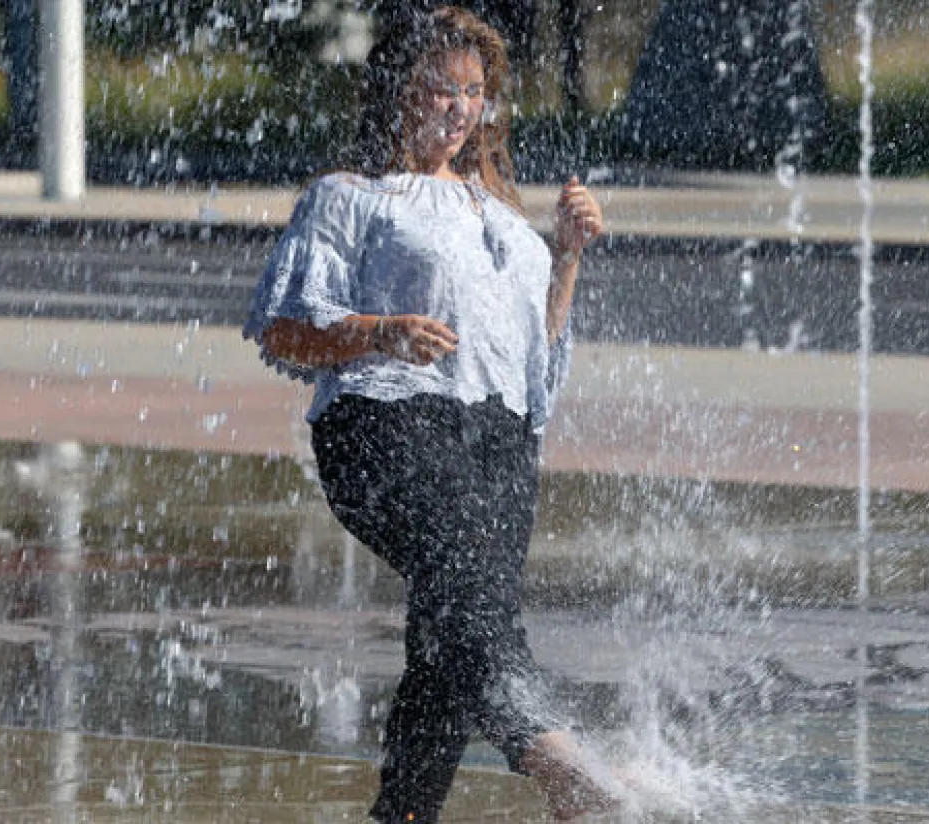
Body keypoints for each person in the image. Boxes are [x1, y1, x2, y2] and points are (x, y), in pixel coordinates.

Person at [242, 6, 612, 823]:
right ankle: (556, 761)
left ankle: (402, 814)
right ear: (397, 92)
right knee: (467, 600)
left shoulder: (501, 215)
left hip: (499, 443)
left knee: (453, 629)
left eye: (472, 92)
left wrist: (567, 257)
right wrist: (381, 332)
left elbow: (535, 354)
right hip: (388, 425)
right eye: (441, 88)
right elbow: (283, 328)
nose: (459, 107)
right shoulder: (350, 198)